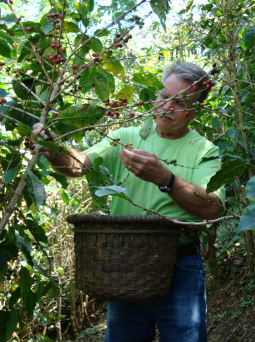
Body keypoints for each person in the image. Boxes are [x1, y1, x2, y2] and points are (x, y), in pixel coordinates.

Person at [34, 61, 225, 342]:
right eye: (163, 97)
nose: (167, 107)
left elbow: (212, 208)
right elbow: (80, 165)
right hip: (125, 263)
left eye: (180, 102)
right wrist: (54, 149)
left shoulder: (205, 151)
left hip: (179, 265)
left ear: (195, 111)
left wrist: (165, 178)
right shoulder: (126, 137)